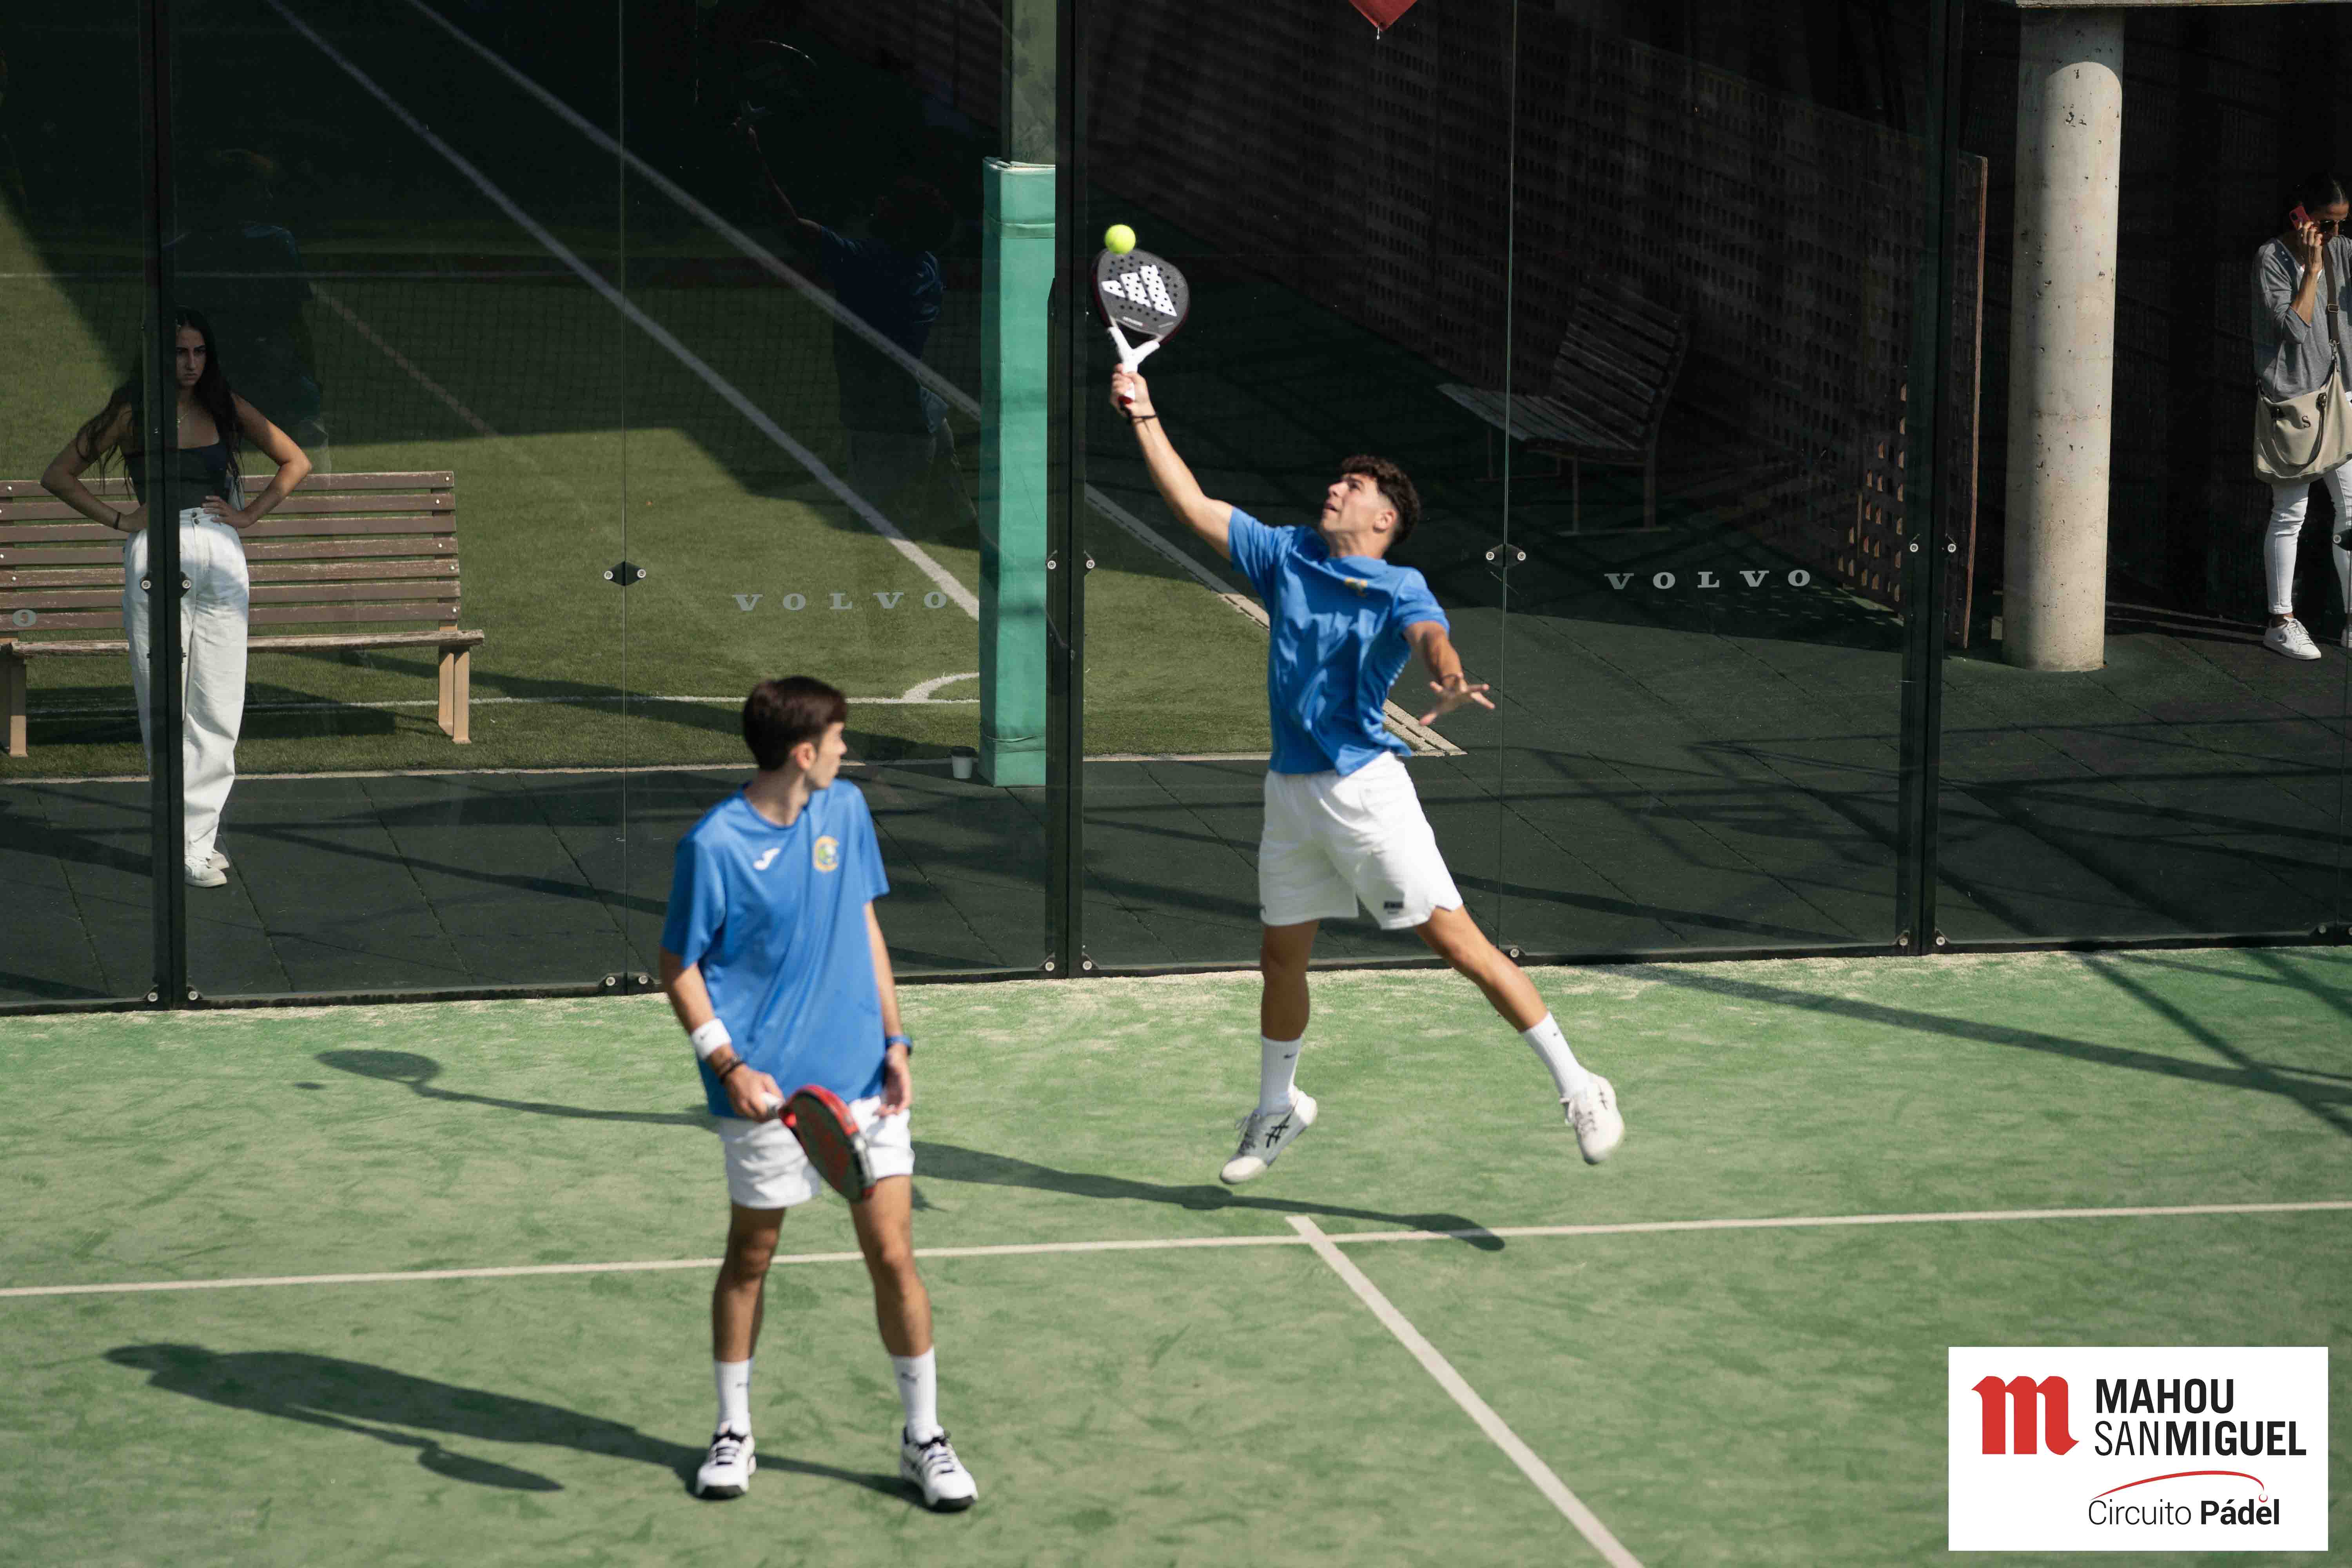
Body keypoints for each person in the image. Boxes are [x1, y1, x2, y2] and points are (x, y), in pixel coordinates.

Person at [1109, 365, 1626, 1182]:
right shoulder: (1286, 553)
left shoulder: (1399, 585)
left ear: (1384, 517)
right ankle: (1278, 1107)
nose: (1334, 489)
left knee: (1460, 946)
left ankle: (1580, 1084)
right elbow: (1191, 504)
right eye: (1337, 480)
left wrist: (1450, 678)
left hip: (1364, 793)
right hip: (1290, 792)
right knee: (1281, 959)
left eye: (1351, 486)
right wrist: (1143, 414)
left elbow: (1431, 638)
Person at [659, 676, 978, 1511]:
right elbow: (678, 965)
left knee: (894, 1256)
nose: (847, 749)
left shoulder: (847, 811)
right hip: (767, 1096)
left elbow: (865, 923)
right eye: (838, 738)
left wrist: (897, 1041)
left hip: (864, 1083)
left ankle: (924, 1437)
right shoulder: (714, 846)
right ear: (804, 753)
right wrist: (729, 1066)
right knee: (751, 1257)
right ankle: (733, 1430)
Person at [40, 309, 312, 887]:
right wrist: (121, 520)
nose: (190, 364)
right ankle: (183, 847)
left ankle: (197, 842)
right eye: (180, 353)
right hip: (157, 553)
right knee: (164, 703)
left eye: (199, 352)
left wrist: (248, 515)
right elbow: (58, 475)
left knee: (218, 703)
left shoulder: (225, 404)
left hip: (219, 552)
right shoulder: (131, 413)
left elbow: (296, 460)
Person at [740, 123, 971, 527]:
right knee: (959, 526)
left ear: (905, 227)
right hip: (926, 417)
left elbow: (791, 227)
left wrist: (752, 154)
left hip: (886, 435)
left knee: (870, 538)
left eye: (891, 205)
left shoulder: (869, 267)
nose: (880, 204)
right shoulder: (927, 268)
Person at [2252, 172, 2352, 659]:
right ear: (2301, 215)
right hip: (2295, 401)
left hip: (2342, 397)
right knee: (2291, 512)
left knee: (2351, 511)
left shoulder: (2343, 251)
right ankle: (2281, 621)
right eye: (2326, 224)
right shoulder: (2272, 258)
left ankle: (2351, 620)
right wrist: (2311, 271)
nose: (2333, 234)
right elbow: (2292, 330)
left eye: (2341, 225)